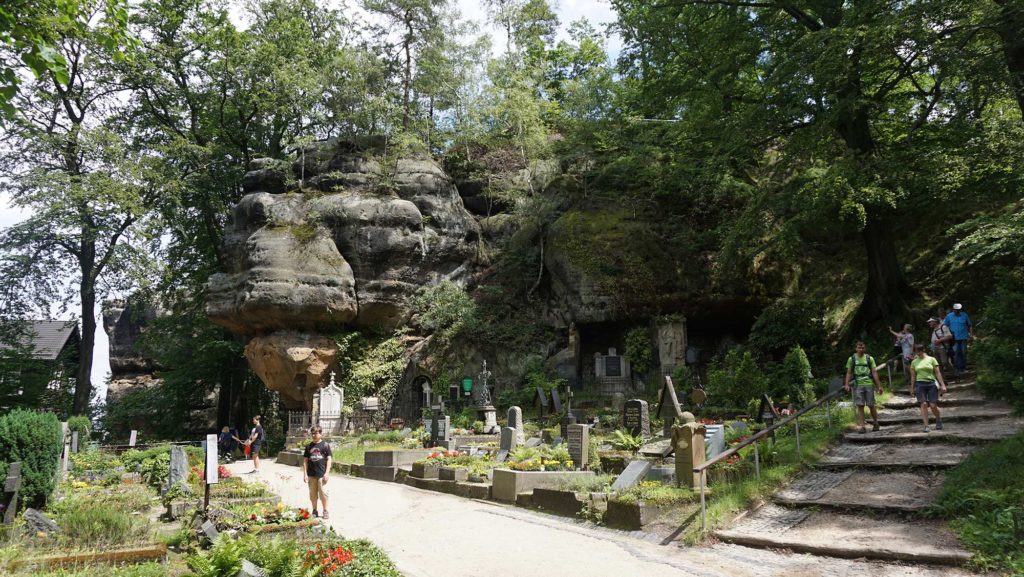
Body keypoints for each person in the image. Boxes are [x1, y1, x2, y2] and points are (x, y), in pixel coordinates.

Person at [844, 341, 885, 433]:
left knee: (871, 405)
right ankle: (862, 426)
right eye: (859, 348)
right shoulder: (852, 359)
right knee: (860, 406)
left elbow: (874, 372)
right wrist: (846, 384)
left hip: (869, 384)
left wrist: (879, 386)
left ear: (865, 348)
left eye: (862, 348)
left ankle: (875, 423)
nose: (861, 349)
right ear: (856, 348)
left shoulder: (869, 358)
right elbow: (849, 372)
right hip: (857, 385)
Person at [909, 344, 947, 432]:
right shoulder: (914, 362)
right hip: (920, 384)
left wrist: (942, 385)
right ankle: (926, 426)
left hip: (931, 384)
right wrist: (912, 388)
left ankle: (938, 419)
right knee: (924, 404)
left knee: (933, 405)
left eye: (919, 351)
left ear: (923, 350)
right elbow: (913, 376)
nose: (918, 353)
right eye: (916, 351)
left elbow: (937, 373)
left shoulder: (932, 359)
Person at [303, 425, 333, 519]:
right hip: (311, 475)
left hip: (322, 474)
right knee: (313, 495)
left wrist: (327, 473)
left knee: (323, 493)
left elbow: (329, 459)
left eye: (316, 433)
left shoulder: (325, 445)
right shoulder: (308, 446)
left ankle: (325, 510)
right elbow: (305, 461)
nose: (314, 435)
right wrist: (305, 474)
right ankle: (314, 510)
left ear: (321, 434)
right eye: (312, 433)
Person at [943, 303, 974, 376]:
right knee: (956, 353)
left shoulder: (964, 315)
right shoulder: (949, 316)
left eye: (958, 309)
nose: (957, 310)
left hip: (963, 337)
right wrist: (947, 336)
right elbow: (945, 327)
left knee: (963, 352)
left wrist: (971, 335)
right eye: (956, 309)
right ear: (953, 309)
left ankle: (963, 368)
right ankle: (957, 368)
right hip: (954, 338)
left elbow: (969, 325)